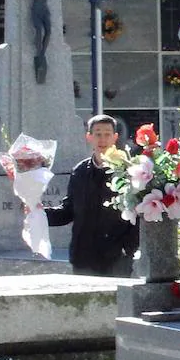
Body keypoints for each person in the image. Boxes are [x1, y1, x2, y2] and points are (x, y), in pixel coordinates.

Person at [45, 114, 138, 276]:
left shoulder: (129, 170)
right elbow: (68, 211)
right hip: (83, 257)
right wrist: (39, 213)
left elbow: (138, 214)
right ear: (89, 137)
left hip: (116, 257)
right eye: (98, 134)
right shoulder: (80, 171)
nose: (102, 139)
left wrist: (129, 248)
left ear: (115, 137)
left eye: (107, 134)